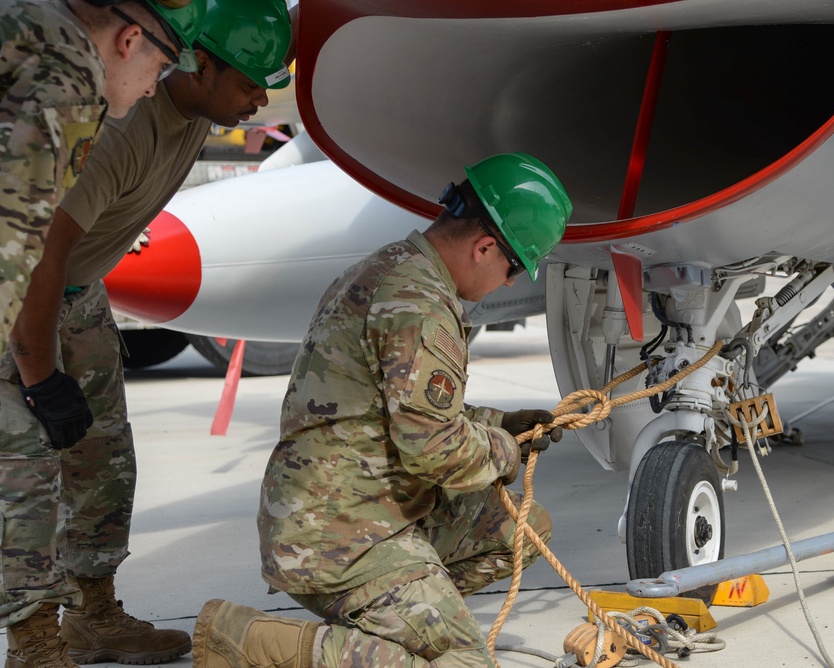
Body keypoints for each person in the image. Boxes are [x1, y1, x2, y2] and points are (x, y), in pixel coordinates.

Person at [191, 153, 573, 667]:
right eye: (511, 268)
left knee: (522, 531)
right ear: (485, 247)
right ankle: (248, 639)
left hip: (352, 509)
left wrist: (498, 423)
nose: (508, 284)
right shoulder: (420, 305)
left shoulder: (393, 267)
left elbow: (398, 408)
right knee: (468, 665)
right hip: (343, 533)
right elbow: (436, 451)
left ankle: (400, 619)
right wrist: (504, 449)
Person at [0, 1, 292, 666]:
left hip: (77, 294)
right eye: (249, 82)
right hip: (25, 292)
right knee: (27, 468)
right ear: (200, 66)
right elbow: (40, 250)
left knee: (103, 457)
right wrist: (40, 374)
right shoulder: (121, 126)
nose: (258, 101)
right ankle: (35, 642)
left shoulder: (195, 108)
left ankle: (94, 614)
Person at [0, 0, 206, 360]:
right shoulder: (67, 71)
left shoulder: (28, 19)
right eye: (160, 67)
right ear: (129, 40)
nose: (151, 90)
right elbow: (15, 241)